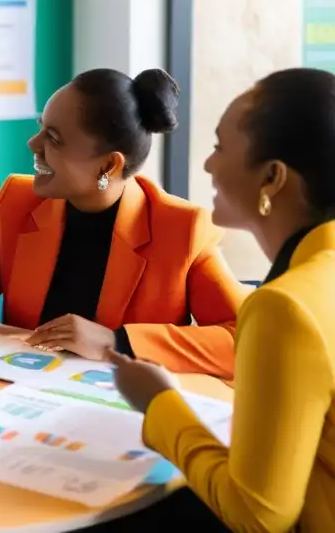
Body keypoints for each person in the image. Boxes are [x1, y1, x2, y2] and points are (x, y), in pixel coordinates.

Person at [0, 68, 249, 378]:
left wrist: (115, 342)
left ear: (109, 166)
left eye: (54, 138)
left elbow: (244, 342)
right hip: (19, 397)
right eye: (41, 127)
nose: (33, 143)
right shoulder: (18, 200)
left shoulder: (182, 230)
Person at [110, 68, 335, 532]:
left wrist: (159, 404)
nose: (209, 165)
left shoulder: (285, 307)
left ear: (272, 177)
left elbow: (257, 515)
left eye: (219, 147)